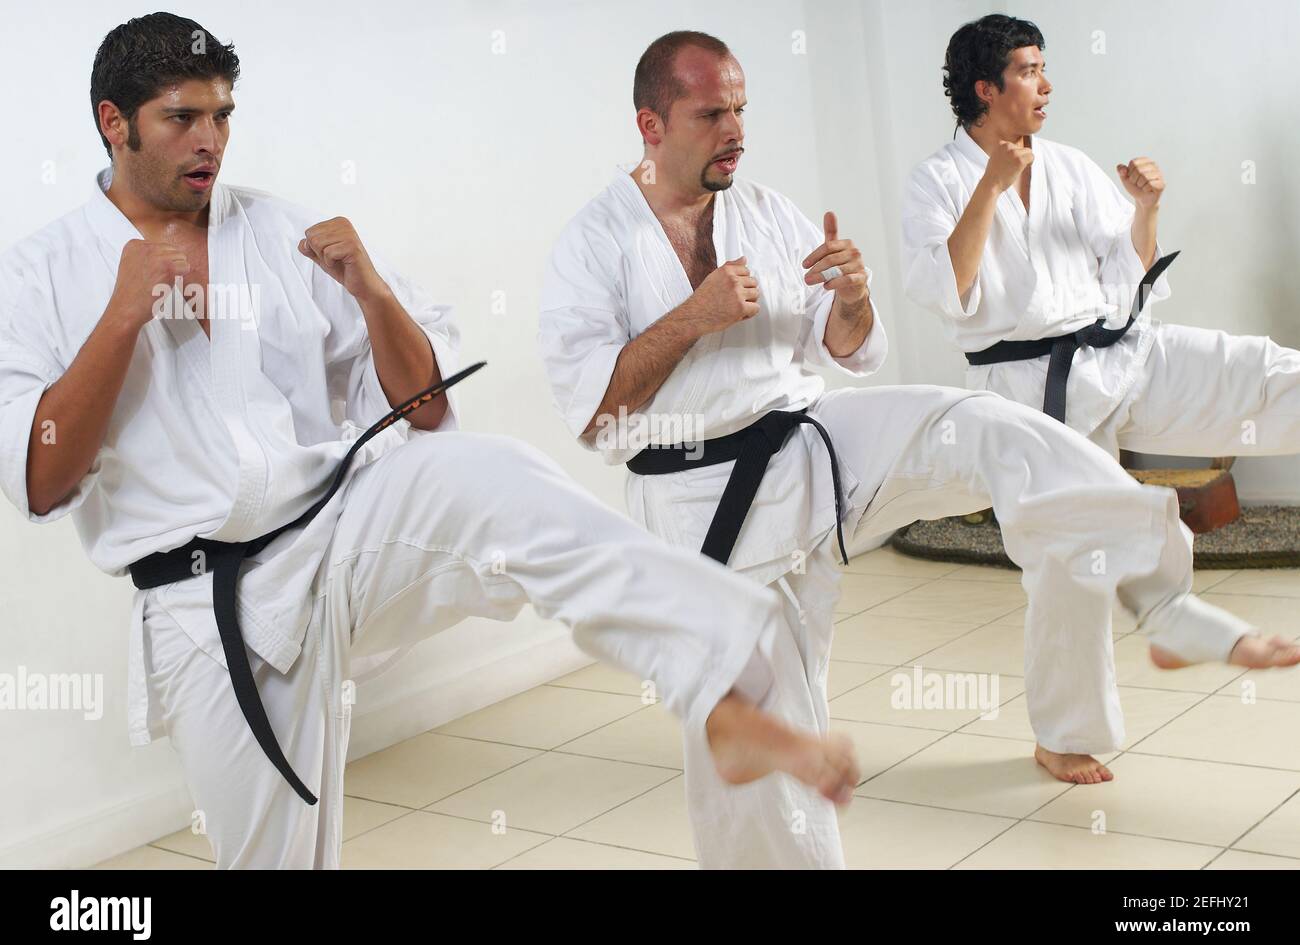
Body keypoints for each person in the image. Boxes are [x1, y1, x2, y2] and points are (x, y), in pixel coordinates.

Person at [0, 13, 861, 870]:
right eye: (181, 118)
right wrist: (120, 317)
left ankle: (719, 691)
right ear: (115, 123)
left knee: (488, 476)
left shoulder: (275, 231)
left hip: (333, 541)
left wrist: (371, 291)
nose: (211, 140)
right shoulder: (41, 273)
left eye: (222, 115)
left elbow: (423, 405)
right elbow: (40, 480)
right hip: (199, 606)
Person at [536, 30, 1300, 818]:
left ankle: (1167, 604)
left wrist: (855, 299)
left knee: (980, 423)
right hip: (705, 500)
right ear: (650, 126)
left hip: (813, 439)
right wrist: (692, 318)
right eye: (711, 115)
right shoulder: (593, 246)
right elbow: (597, 415)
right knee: (775, 760)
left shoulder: (764, 212)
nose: (736, 132)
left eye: (741, 110)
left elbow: (844, 347)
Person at [901, 13, 1299, 461]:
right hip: (1022, 392)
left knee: (1263, 371)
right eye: (1029, 73)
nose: (1046, 86)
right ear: (986, 89)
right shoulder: (935, 181)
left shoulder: (1068, 165)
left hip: (1115, 356)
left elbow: (1124, 280)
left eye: (1042, 70)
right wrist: (990, 186)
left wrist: (1146, 211)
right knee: (1096, 526)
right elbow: (944, 287)